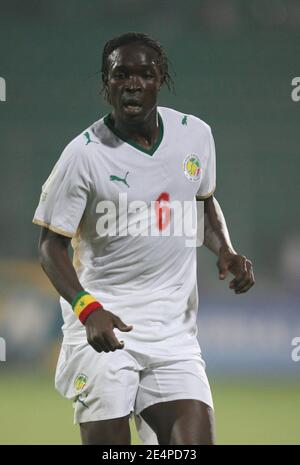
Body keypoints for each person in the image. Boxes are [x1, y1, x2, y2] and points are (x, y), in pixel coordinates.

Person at [33, 32, 255, 445]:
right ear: (106, 84)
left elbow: (203, 202)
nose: (132, 83)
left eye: (144, 74)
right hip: (103, 331)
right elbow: (50, 245)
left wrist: (225, 249)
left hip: (174, 335)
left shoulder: (196, 136)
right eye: (121, 75)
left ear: (160, 79)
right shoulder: (83, 155)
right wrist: (86, 307)